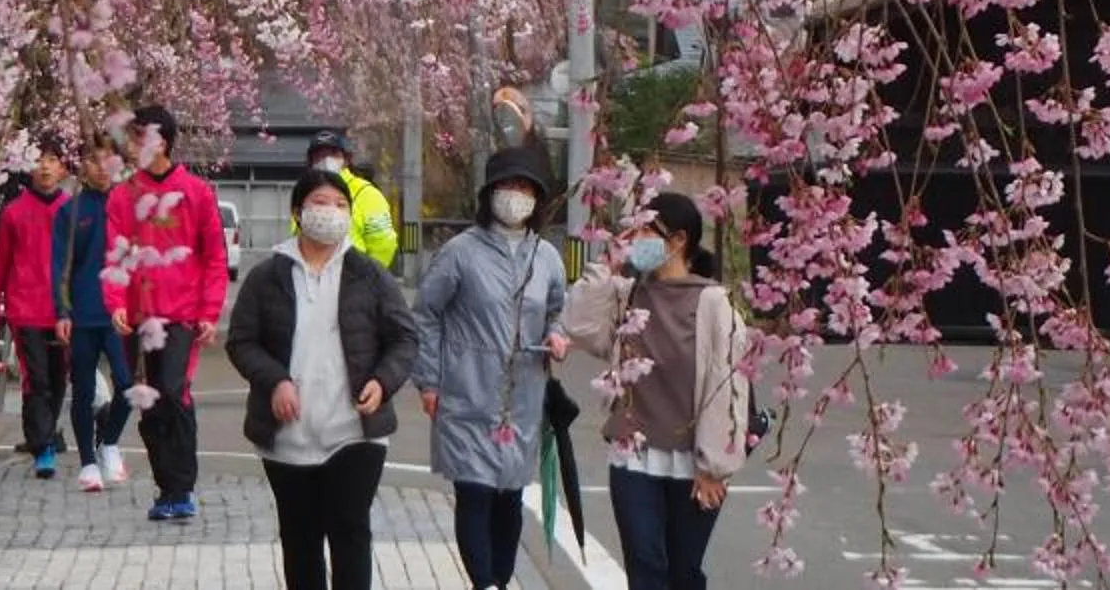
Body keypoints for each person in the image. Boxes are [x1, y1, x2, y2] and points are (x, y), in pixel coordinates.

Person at [227, 167, 421, 590]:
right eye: (320, 203)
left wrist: (383, 381)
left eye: (341, 205)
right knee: (300, 541)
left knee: (351, 532)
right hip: (287, 436)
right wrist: (275, 380)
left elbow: (404, 338)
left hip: (354, 431)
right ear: (298, 211)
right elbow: (242, 342)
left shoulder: (369, 274)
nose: (331, 213)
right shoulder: (268, 276)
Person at [562, 190, 751, 590]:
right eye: (632, 229)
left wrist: (714, 466)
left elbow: (728, 385)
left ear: (679, 240)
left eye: (646, 230)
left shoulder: (714, 303)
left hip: (692, 463)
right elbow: (578, 324)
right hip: (633, 460)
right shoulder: (627, 293)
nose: (636, 238)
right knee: (644, 568)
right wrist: (608, 262)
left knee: (683, 573)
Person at [415, 146, 569, 590]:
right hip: (466, 391)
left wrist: (557, 336)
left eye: (525, 188)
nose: (515, 196)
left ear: (537, 199)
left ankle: (500, 580)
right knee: (476, 491)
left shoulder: (547, 257)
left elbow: (558, 310)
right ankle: (484, 582)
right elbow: (426, 313)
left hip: (523, 396)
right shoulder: (460, 253)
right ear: (488, 194)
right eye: (507, 186)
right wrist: (429, 380)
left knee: (509, 496)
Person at [104, 101, 229, 523]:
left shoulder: (196, 193)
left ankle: (181, 487)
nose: (135, 144)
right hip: (138, 317)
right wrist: (117, 302)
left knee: (173, 392)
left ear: (163, 142)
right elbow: (115, 254)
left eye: (142, 136)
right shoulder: (124, 196)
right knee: (149, 401)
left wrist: (209, 312)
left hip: (180, 315)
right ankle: (167, 487)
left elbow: (214, 257)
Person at [0, 137, 71, 477]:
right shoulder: (14, 213)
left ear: (63, 168)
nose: (45, 166)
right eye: (39, 159)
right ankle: (42, 445)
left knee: (60, 379)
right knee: (36, 380)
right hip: (25, 309)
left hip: (63, 310)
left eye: (52, 159)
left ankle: (48, 435)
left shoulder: (72, 210)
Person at [50, 130, 136, 492]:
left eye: (108, 160)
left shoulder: (130, 204)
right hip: (84, 313)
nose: (102, 168)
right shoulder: (71, 211)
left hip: (121, 315)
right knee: (82, 389)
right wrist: (62, 311)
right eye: (93, 160)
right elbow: (59, 266)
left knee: (128, 383)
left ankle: (109, 441)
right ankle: (87, 461)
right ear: (81, 165)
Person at [306, 128, 402, 268]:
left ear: (346, 159)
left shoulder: (366, 193)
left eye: (333, 153)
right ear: (311, 161)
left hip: (353, 279)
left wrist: (368, 277)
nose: (326, 159)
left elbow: (384, 241)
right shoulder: (306, 193)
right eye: (319, 155)